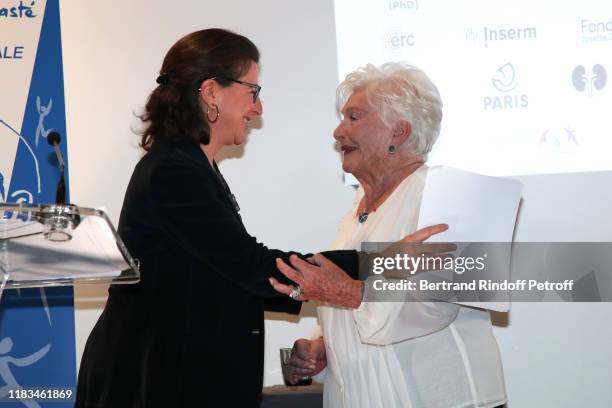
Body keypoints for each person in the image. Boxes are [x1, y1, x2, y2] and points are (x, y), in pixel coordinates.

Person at [75, 30, 445, 408]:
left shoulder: (441, 196)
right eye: (253, 91)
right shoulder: (176, 169)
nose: (258, 107)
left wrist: (325, 332)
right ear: (211, 92)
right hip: (149, 381)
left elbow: (489, 277)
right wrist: (381, 263)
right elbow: (251, 268)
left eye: (353, 117)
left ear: (400, 130)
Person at [277, 63, 507, 408]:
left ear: (398, 132)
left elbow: (431, 306)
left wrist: (346, 292)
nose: (338, 131)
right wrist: (322, 345)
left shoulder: (448, 195)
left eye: (353, 118)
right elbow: (357, 295)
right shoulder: (358, 205)